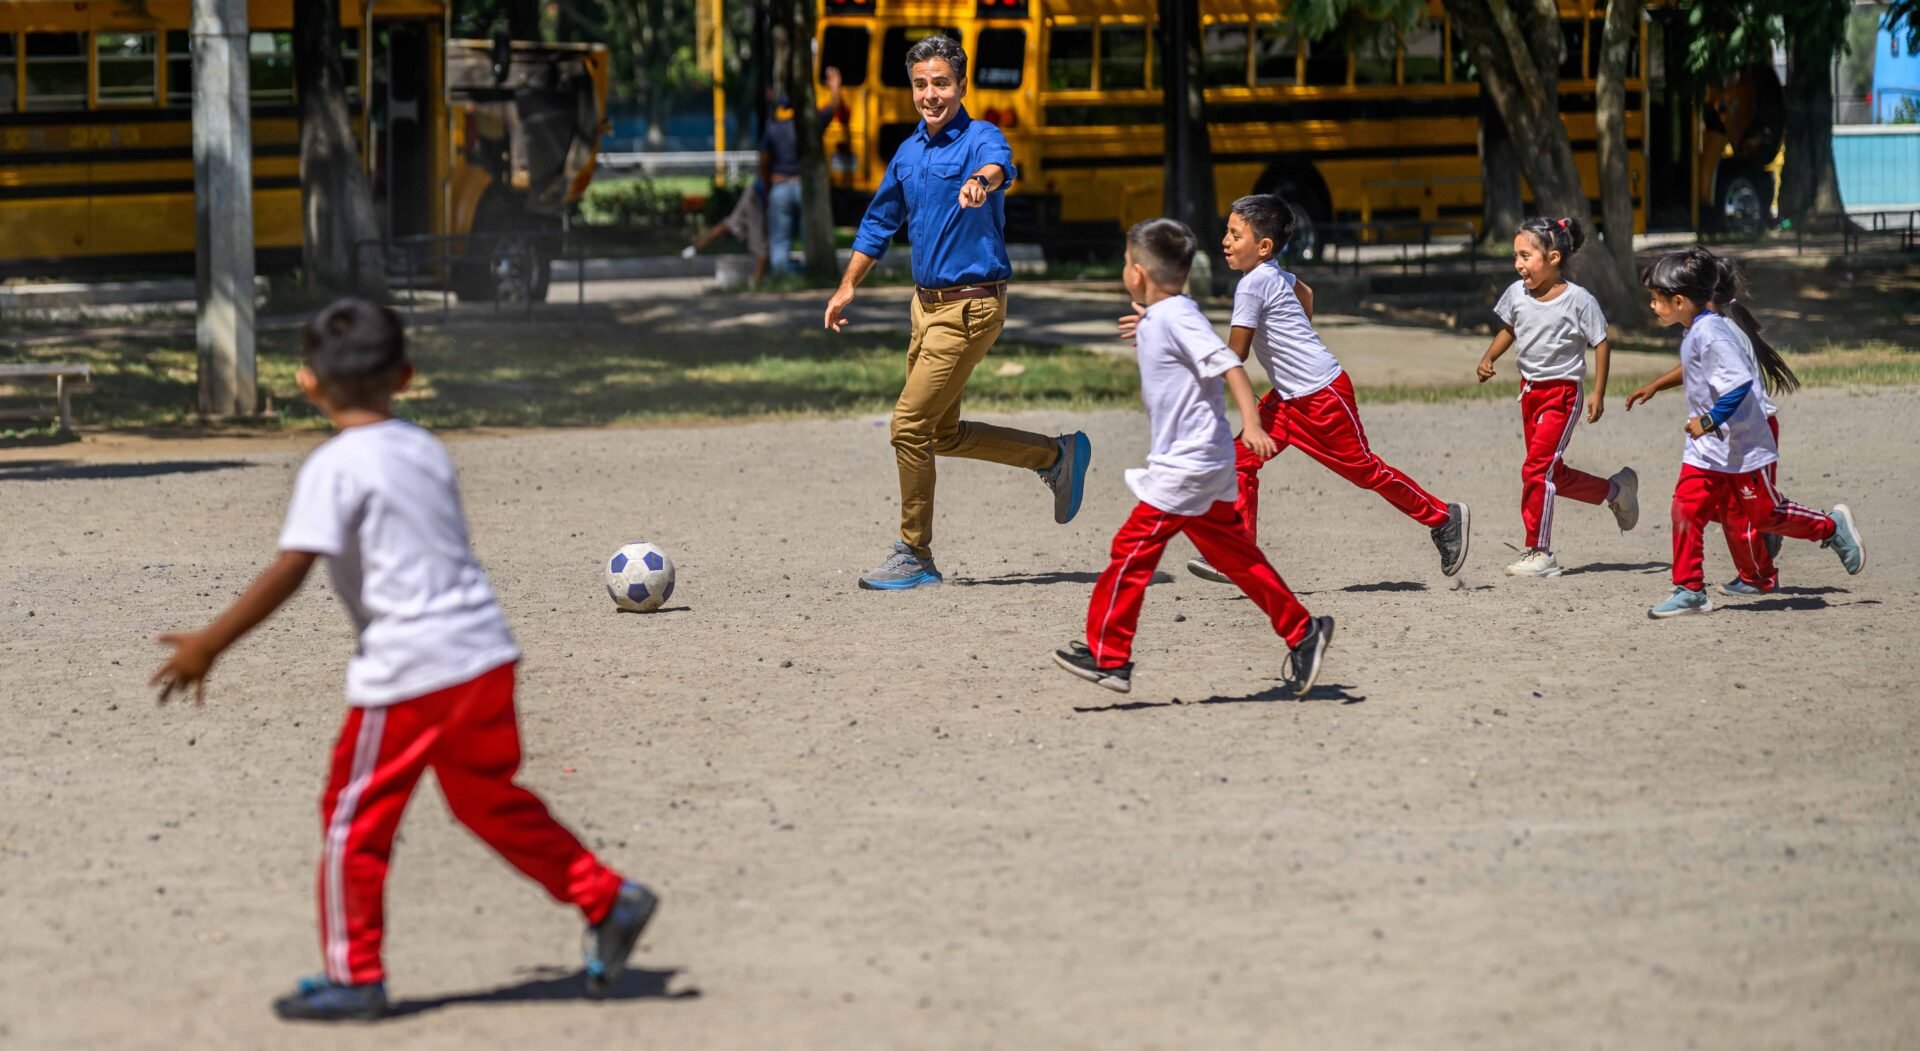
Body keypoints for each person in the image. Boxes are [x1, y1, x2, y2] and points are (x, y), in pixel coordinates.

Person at [149, 299, 659, 1021]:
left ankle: (354, 974)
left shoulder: (333, 465)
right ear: (406, 377)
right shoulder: (423, 448)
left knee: (351, 819)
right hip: (484, 655)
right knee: (486, 800)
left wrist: (209, 643)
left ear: (307, 383)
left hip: (411, 671)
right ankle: (606, 897)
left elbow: (292, 567)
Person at [824, 34, 1090, 591]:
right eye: (921, 84)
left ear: (962, 85)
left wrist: (978, 182)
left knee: (908, 425)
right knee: (939, 433)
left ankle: (914, 554)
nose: (931, 94)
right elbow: (878, 223)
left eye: (941, 83)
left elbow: (999, 167)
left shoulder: (981, 137)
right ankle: (1054, 456)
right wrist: (847, 285)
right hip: (923, 310)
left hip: (971, 308)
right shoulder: (908, 153)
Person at [1054, 218, 1333, 697]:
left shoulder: (1177, 318)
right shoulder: (1166, 317)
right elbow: (1181, 342)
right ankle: (1304, 632)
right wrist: (1149, 324)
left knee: (1130, 552)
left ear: (1138, 273)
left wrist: (1252, 424)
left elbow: (1230, 366)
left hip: (1187, 466)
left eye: (1126, 262)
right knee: (1238, 558)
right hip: (1203, 463)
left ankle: (1109, 657)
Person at [1168, 194, 1469, 584]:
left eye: (1235, 235)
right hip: (1288, 399)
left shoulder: (1252, 285)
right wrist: (1297, 340)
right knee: (1241, 460)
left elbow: (1236, 353)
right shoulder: (1271, 274)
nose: (1225, 241)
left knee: (1365, 471)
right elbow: (1305, 293)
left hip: (1321, 397)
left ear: (1264, 246)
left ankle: (1444, 517)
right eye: (1227, 232)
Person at [1628, 246, 1864, 619]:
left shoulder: (1714, 333)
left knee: (1764, 515)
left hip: (1742, 444)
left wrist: (1708, 421)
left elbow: (1738, 386)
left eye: (1656, 299)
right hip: (1707, 449)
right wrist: (1659, 387)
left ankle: (1830, 527)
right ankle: (1690, 590)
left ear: (1679, 301)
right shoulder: (1696, 330)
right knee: (1685, 508)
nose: (1652, 306)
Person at [1474, 216, 1640, 578]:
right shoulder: (1517, 293)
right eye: (1516, 256)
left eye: (1525, 256)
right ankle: (1616, 492)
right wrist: (1489, 357)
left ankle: (1540, 552)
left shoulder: (1579, 300)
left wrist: (1598, 392)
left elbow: (1601, 342)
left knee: (1535, 469)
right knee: (1553, 473)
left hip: (1562, 395)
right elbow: (1509, 329)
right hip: (1529, 392)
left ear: (1552, 258)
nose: (1518, 264)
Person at [763, 65, 843, 275]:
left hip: (780, 186)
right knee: (810, 237)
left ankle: (781, 275)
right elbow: (833, 107)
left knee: (779, 240)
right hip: (804, 187)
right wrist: (835, 86)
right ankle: (812, 273)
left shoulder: (772, 128)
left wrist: (768, 186)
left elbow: (764, 161)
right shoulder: (810, 124)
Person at [683, 177, 770, 287]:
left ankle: (695, 248)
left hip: (759, 194)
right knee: (760, 245)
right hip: (758, 196)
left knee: (730, 224)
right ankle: (757, 282)